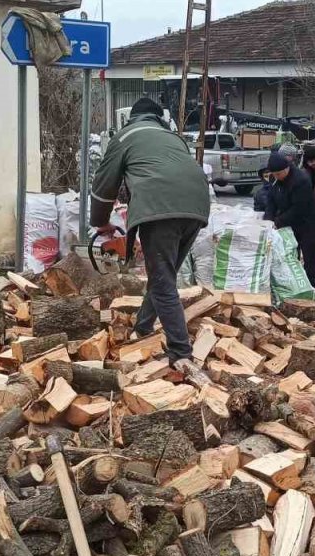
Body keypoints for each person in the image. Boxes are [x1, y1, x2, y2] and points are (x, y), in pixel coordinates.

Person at [89, 97, 211, 377]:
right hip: (197, 205)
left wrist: (100, 223)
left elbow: (103, 184)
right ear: (159, 118)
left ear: (133, 117)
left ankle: (181, 353)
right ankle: (143, 328)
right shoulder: (173, 137)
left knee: (162, 280)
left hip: (159, 206)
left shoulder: (125, 136)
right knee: (163, 277)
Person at [266, 153, 315, 291]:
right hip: (288, 223)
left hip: (307, 222)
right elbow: (271, 201)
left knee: (310, 257)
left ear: (287, 169)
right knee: (290, 255)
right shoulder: (275, 178)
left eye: (279, 174)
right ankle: (293, 288)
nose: (276, 177)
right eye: (274, 174)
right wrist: (268, 220)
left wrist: (278, 222)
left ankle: (313, 288)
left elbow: (298, 208)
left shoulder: (301, 180)